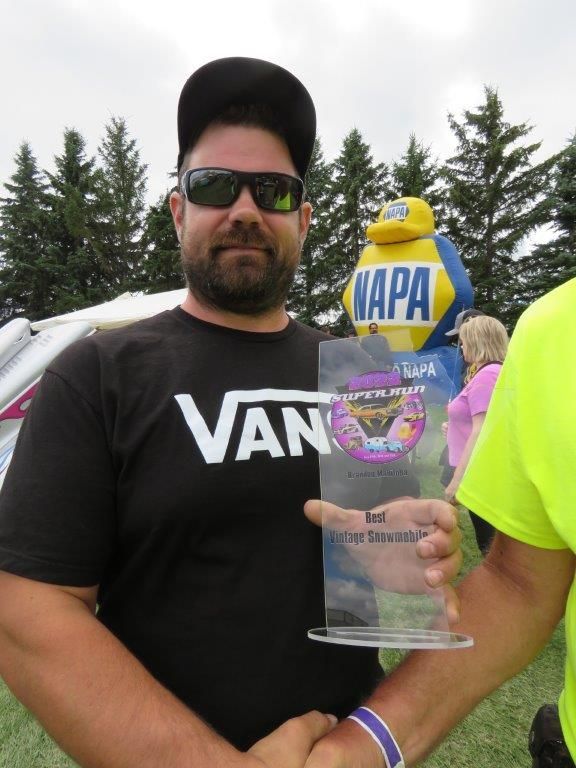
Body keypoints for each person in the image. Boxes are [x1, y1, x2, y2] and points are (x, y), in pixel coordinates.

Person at [0, 57, 460, 768]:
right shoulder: (97, 375)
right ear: (179, 208)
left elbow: (375, 548)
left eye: (274, 192)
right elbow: (28, 609)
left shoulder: (361, 375)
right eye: (215, 186)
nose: (245, 210)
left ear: (302, 220)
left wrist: (408, 558)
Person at [303, 278, 576, 767]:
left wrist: (452, 484)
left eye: (465, 341)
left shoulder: (506, 362)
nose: (462, 347)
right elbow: (518, 585)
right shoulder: (551, 329)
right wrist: (365, 747)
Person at [443, 315, 509, 553]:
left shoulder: (487, 375)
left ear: (478, 341)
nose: (462, 348)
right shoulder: (488, 373)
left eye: (464, 341)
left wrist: (457, 481)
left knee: (491, 548)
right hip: (481, 473)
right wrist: (453, 428)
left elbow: (482, 430)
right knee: (490, 545)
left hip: (481, 475)